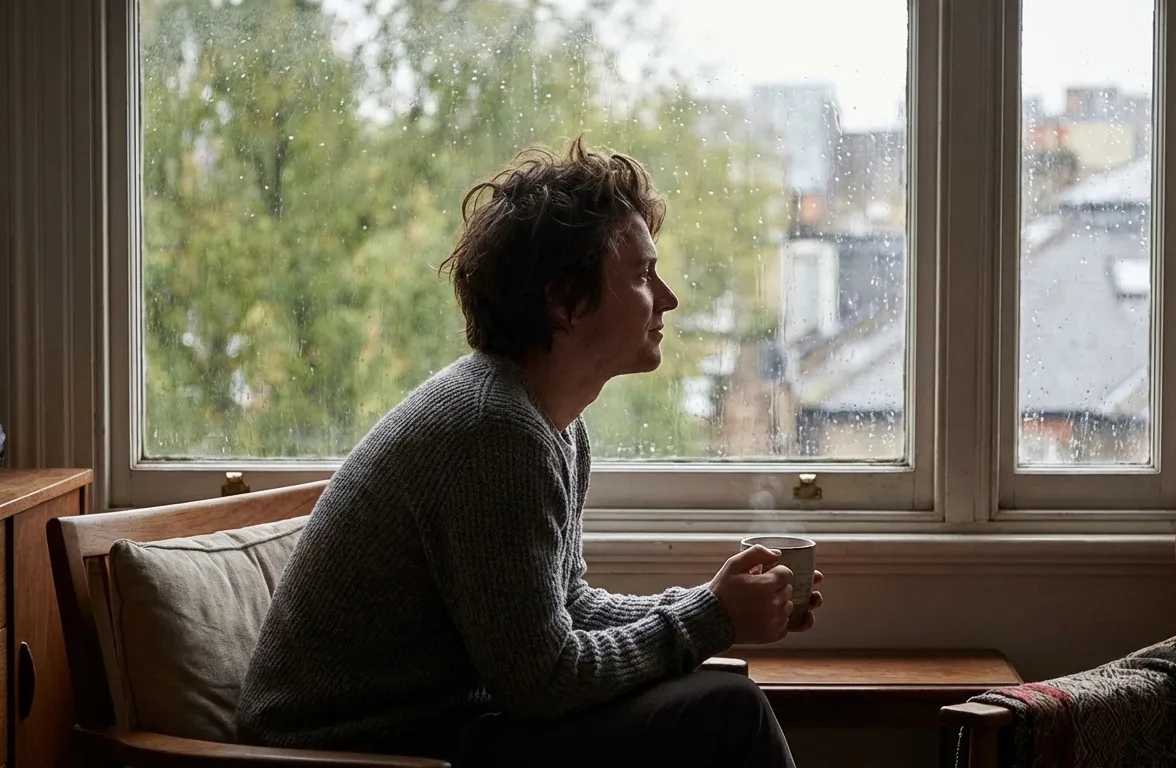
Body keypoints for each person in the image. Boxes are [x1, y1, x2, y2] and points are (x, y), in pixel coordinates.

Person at [236, 137, 824, 767]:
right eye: (640, 275)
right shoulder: (495, 433)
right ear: (565, 302)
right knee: (723, 715)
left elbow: (566, 607)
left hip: (438, 729)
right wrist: (710, 619)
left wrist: (713, 601)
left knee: (716, 697)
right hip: (346, 753)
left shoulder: (549, 422)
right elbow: (544, 681)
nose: (668, 298)